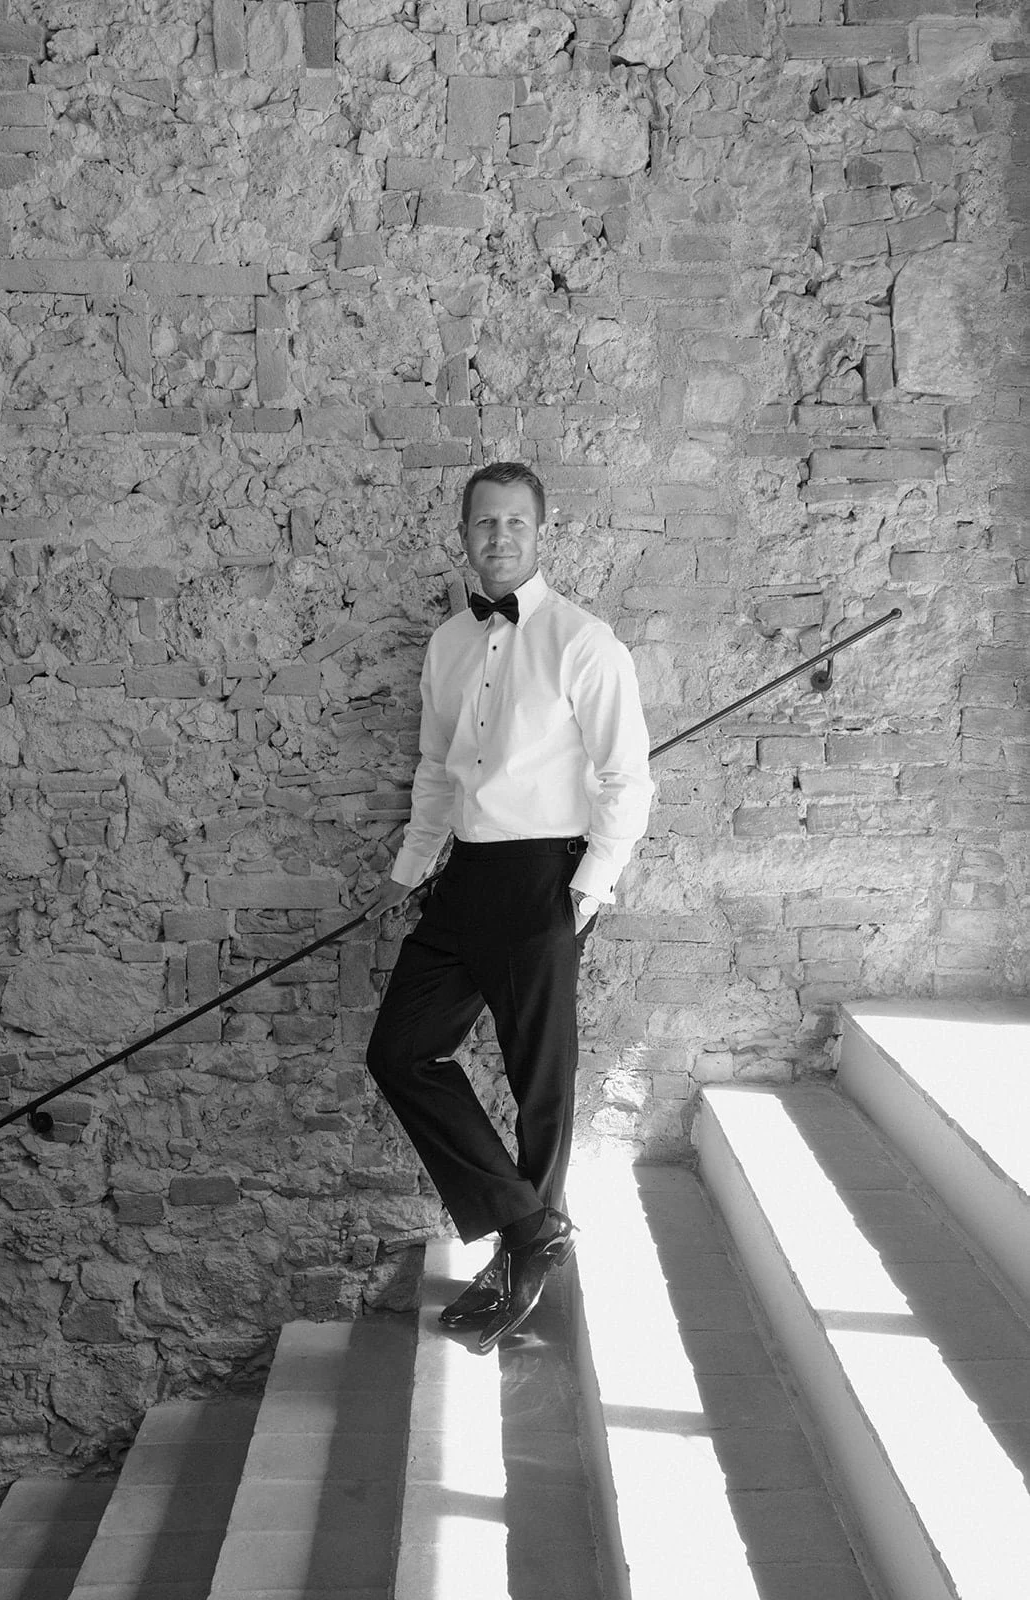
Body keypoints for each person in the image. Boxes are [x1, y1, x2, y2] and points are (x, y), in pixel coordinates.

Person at [365, 461, 653, 1352]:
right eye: (483, 523)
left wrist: (586, 891)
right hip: (464, 881)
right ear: (463, 534)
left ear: (540, 533)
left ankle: (521, 1261)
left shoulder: (584, 642)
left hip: (543, 882)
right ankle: (530, 1227)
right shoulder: (448, 644)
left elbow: (625, 780)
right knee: (400, 1052)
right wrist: (407, 873)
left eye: (515, 523)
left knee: (540, 1087)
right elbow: (433, 773)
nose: (498, 537)